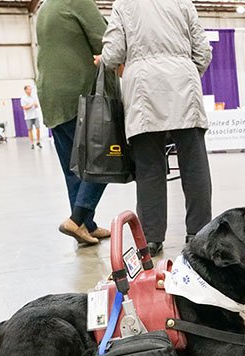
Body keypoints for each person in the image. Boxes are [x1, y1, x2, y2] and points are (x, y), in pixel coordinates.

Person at [99, 0, 213, 255]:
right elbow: (203, 52)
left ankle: (151, 239)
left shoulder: (123, 4)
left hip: (143, 89)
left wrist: (108, 59)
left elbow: (113, 54)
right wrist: (184, 71)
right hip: (184, 84)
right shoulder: (183, 2)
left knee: (149, 168)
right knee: (194, 165)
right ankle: (199, 233)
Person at [36, 0, 110, 245]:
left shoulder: (45, 7)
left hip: (50, 95)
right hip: (76, 94)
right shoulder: (78, 1)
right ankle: (77, 220)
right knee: (103, 158)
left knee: (73, 168)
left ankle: (85, 226)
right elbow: (105, 42)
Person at [20, 85, 42, 150]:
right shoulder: (23, 98)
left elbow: (36, 105)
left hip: (35, 115)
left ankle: (38, 142)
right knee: (30, 130)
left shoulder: (33, 97)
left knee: (38, 128)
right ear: (25, 90)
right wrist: (32, 105)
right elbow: (25, 107)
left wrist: (36, 105)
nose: (30, 90)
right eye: (29, 89)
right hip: (28, 117)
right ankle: (32, 143)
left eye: (31, 89)